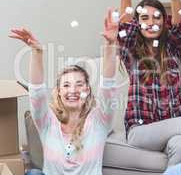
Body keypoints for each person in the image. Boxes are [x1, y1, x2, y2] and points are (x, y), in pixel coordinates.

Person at [9, 9, 122, 175]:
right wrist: (37, 52)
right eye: (67, 85)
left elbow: (108, 86)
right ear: (59, 92)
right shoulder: (47, 123)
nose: (73, 90)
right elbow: (36, 92)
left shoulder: (99, 122)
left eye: (79, 84)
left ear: (87, 90)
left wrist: (111, 45)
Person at [115, 0, 181, 166]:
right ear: (138, 23)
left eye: (157, 17)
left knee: (180, 145)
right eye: (144, 18)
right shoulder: (132, 53)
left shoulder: (172, 50)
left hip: (171, 129)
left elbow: (180, 26)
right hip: (140, 131)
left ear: (164, 21)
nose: (151, 22)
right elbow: (125, 28)